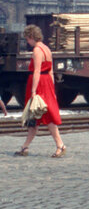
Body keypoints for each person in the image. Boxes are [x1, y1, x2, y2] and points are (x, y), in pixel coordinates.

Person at [14, 25, 66, 157]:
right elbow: (51, 71)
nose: (27, 42)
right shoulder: (47, 49)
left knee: (44, 114)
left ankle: (60, 145)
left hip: (39, 84)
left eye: (27, 39)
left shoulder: (37, 50)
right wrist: (52, 88)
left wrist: (33, 91)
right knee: (34, 116)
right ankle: (25, 147)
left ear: (31, 37)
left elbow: (37, 71)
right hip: (47, 82)